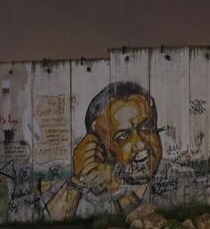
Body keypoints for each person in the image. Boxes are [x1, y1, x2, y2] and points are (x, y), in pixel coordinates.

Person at [46, 81, 164, 219]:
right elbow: (45, 228)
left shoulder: (180, 177)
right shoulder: (88, 189)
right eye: (123, 137)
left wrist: (117, 187)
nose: (140, 144)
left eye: (147, 127)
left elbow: (143, 225)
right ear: (101, 148)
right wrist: (77, 181)